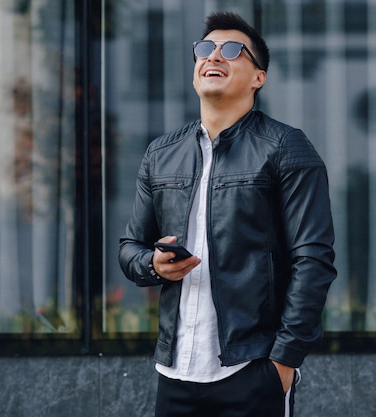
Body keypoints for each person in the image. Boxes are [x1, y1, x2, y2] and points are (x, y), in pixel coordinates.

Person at [118, 11, 336, 417]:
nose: (214, 56)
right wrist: (153, 264)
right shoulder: (161, 153)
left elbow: (314, 261)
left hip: (252, 368)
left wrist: (283, 363)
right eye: (205, 49)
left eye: (233, 50)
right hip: (176, 371)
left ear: (259, 77)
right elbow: (130, 246)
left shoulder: (286, 148)